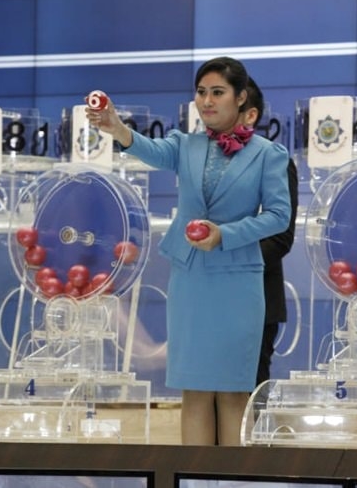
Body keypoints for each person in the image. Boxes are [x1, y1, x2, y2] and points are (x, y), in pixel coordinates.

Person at [86, 56, 292, 446]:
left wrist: (225, 234)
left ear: (241, 97)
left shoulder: (269, 154)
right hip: (191, 279)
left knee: (234, 393)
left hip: (238, 283)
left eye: (218, 92)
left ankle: (233, 476)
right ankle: (193, 475)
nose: (207, 101)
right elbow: (147, 149)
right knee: (194, 391)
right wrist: (115, 127)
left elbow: (279, 217)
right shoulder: (184, 144)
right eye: (201, 92)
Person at [238, 78, 299, 387]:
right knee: (201, 394)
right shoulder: (197, 160)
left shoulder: (274, 160)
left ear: (250, 114)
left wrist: (230, 263)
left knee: (246, 397)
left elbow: (280, 237)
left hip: (255, 298)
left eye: (219, 96)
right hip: (204, 299)